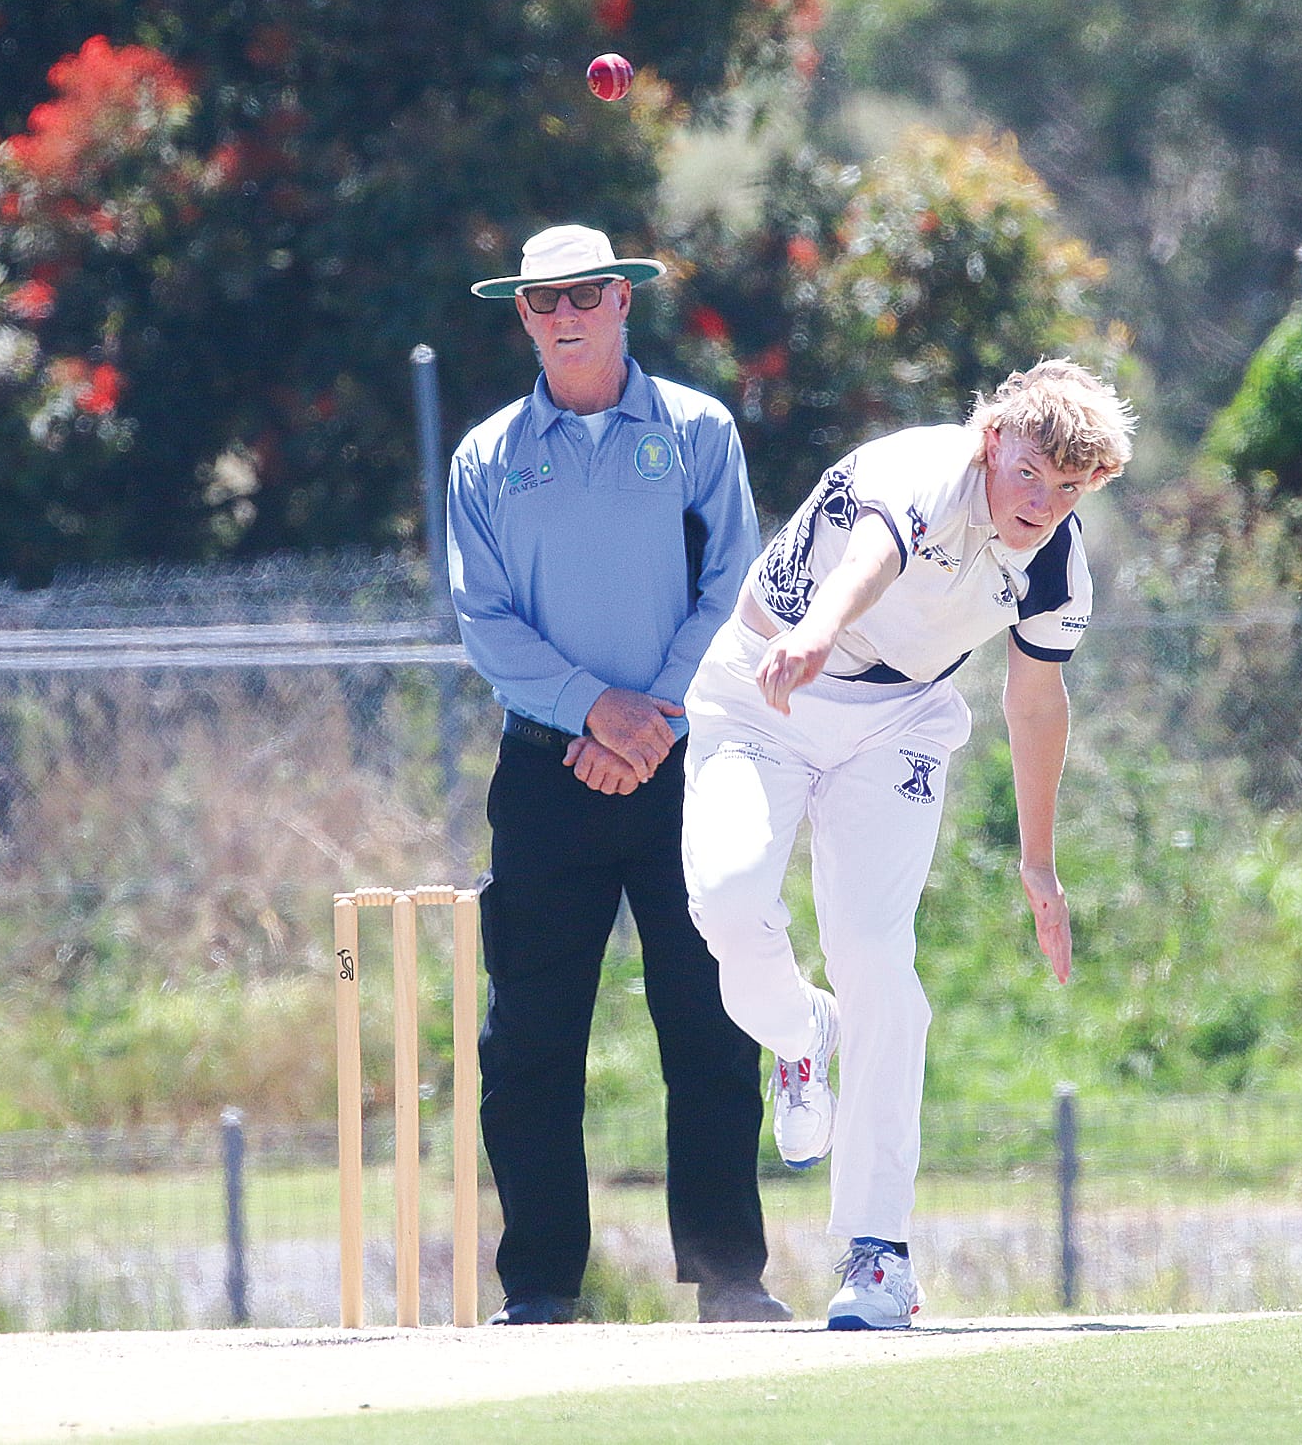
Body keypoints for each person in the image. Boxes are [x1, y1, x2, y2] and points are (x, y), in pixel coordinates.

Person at [681, 359, 1136, 1328]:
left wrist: (1038, 861)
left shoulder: (1054, 561)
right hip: (761, 687)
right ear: (991, 441)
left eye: (1068, 488)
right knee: (723, 902)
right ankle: (804, 1039)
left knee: (875, 957)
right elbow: (872, 558)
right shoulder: (922, 471)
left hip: (895, 725)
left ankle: (875, 1253)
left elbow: (1034, 699)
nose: (1042, 502)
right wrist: (812, 634)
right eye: (1029, 473)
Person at [447, 224, 789, 1325]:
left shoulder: (694, 430)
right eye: (543, 301)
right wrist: (595, 712)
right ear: (522, 316)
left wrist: (653, 720)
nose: (566, 316)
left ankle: (729, 1275)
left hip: (688, 761)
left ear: (623, 301)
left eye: (585, 294)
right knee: (530, 1037)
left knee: (707, 1017)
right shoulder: (486, 456)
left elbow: (735, 584)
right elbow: (482, 620)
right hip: (548, 771)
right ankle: (542, 1286)